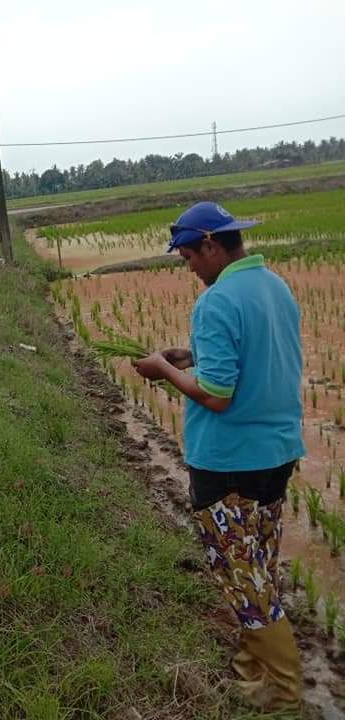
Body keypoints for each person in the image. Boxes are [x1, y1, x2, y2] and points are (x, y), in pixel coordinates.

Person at [133, 201, 305, 708]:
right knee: (260, 565)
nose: (188, 267)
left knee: (242, 578)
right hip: (277, 454)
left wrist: (163, 370)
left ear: (211, 244)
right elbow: (255, 357)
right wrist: (192, 355)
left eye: (188, 256)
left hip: (229, 461)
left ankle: (284, 697)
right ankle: (253, 671)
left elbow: (218, 395)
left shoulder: (215, 300)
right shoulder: (275, 286)